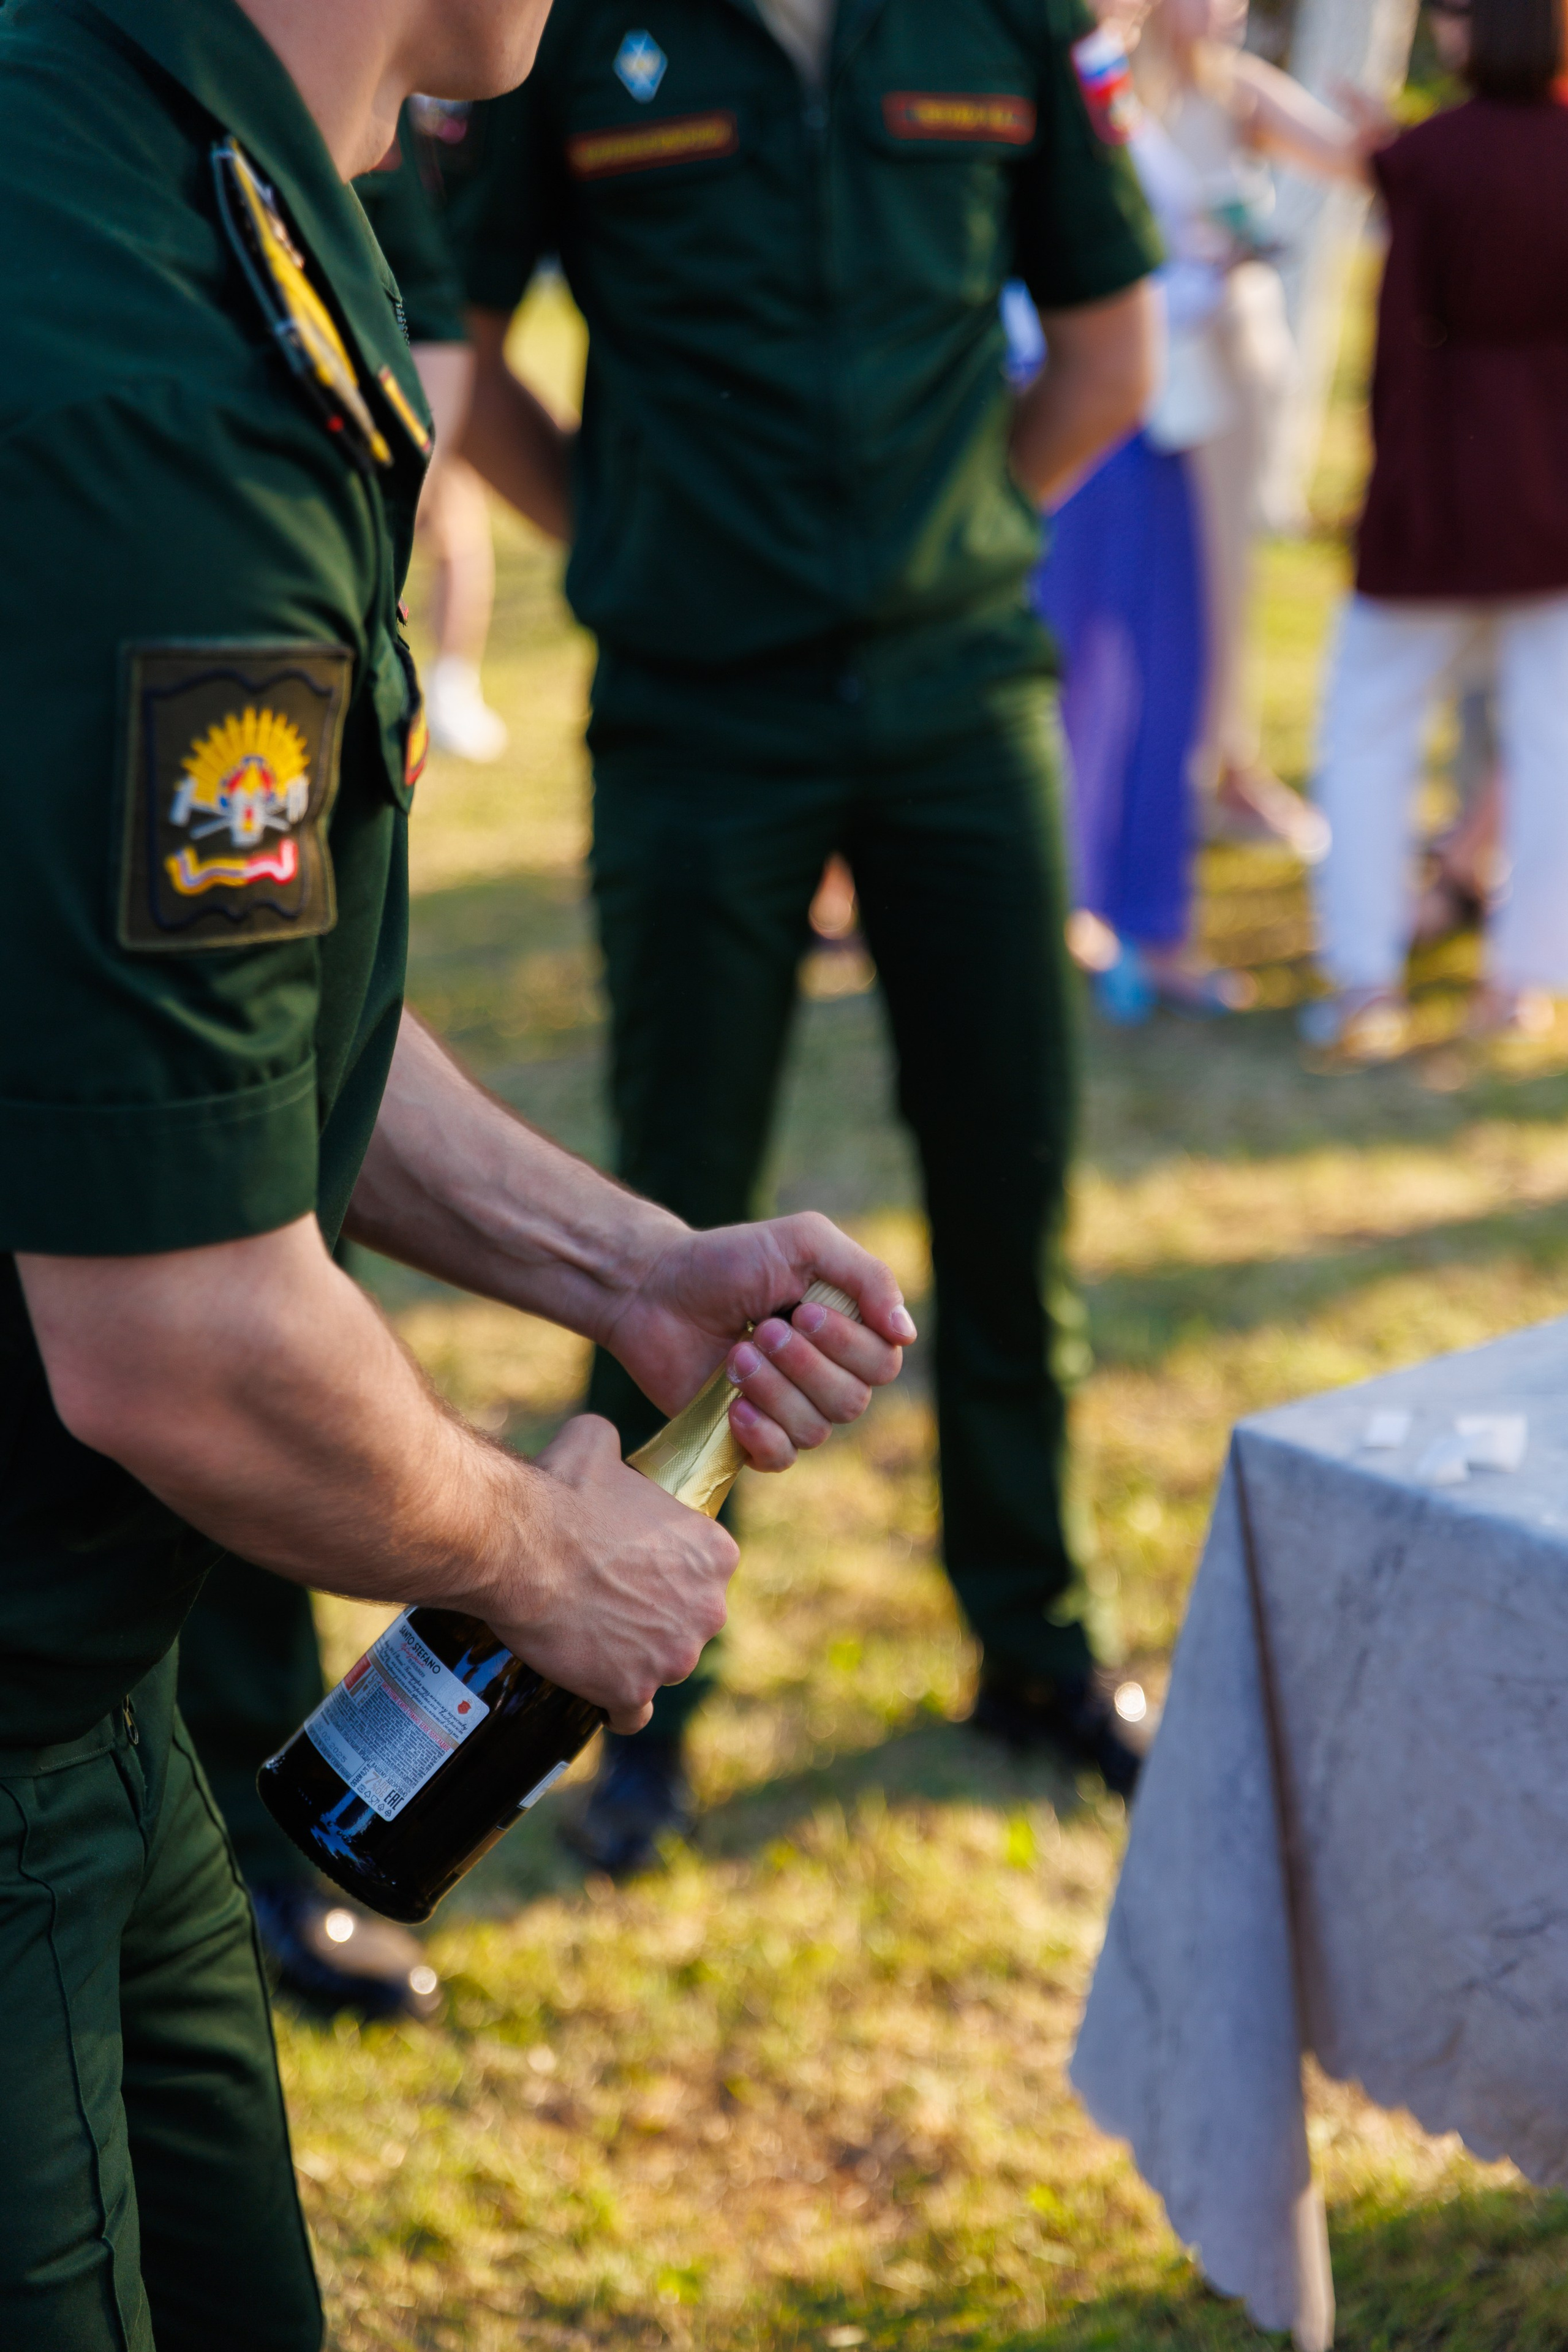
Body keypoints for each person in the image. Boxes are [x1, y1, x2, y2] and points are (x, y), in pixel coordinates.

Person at [0, 0, 913, 2343]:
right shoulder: (142, 354)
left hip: (92, 1715)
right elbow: (179, 1339)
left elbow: (195, 1009)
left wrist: (628, 1268)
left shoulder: (156, 167)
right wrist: (540, 1550)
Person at [454, 0, 1166, 1875]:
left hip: (957, 700)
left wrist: (943, 539)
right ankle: (631, 1703)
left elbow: (1102, 356)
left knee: (1009, 1182)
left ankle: (1037, 1642)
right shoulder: (576, 26)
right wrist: (624, 530)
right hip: (697, 711)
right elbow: (461, 342)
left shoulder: (1007, 20)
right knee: (659, 1219)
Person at [173, 102, 510, 2026]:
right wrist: (531, 1552)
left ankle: (248, 1816)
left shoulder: (352, 170)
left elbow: (419, 425)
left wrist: (620, 1257)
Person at [1025, 0, 1370, 1019]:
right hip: (1092, 418)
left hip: (1178, 422)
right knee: (1075, 684)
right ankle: (1064, 925)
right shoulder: (1078, 74)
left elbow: (1362, 164)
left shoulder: (1219, 89)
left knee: (1173, 678)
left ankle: (1152, 925)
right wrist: (1195, 290)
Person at [1304, 0, 1568, 1059]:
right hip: (1552, 484)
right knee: (1554, 743)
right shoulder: (1439, 154)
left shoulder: (1432, 158)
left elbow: (1398, 345)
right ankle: (1524, 980)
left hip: (1443, 484)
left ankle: (1367, 977)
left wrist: (1393, 486)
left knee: (1368, 728)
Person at [359, 106, 511, 762]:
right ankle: (447, 681)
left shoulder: (397, 131)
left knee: (451, 525)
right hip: (378, 364)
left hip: (411, 369)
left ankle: (452, 681)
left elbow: (431, 292)